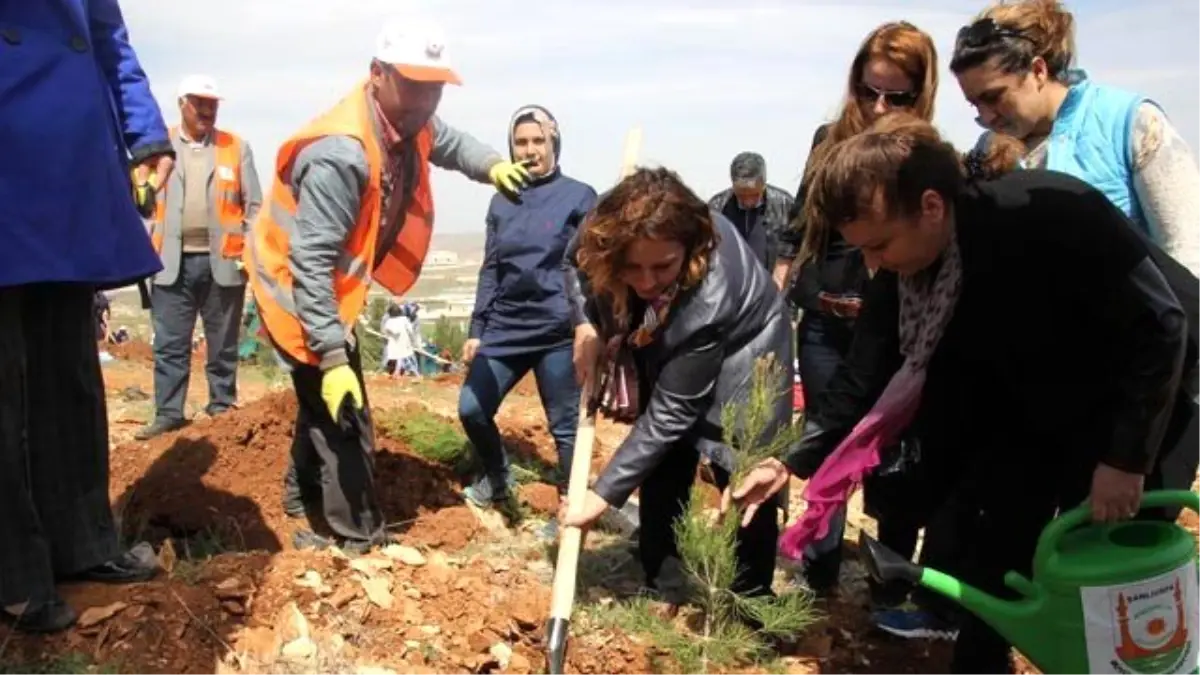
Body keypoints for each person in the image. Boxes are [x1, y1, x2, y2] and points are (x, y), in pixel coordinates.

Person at [730, 115, 1200, 674]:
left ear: (931, 206)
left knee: (1112, 584)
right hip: (1030, 412)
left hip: (1149, 399)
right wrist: (788, 461)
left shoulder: (1045, 215)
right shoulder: (905, 274)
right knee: (994, 557)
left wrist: (1126, 458)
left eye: (880, 245)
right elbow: (863, 377)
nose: (874, 265)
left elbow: (1164, 326)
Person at [245, 14, 532, 553]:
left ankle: (296, 494)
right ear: (377, 73)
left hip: (331, 288)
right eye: (414, 83)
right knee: (345, 416)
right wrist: (331, 356)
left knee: (321, 406)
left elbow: (450, 143)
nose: (427, 99)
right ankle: (358, 537)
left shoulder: (409, 121)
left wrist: (491, 166)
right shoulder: (343, 153)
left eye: (436, 87)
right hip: (296, 290)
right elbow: (310, 264)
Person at [0, 0, 172, 632]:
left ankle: (83, 544)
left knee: (67, 365)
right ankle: (14, 574)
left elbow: (105, 29)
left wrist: (144, 130)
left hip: (72, 152)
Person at [560, 167, 794, 603]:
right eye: (631, 268)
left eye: (662, 266)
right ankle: (662, 583)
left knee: (746, 471)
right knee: (665, 463)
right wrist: (585, 325)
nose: (646, 282)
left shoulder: (709, 297)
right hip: (668, 336)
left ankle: (750, 600)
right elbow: (570, 264)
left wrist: (603, 495)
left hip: (749, 348)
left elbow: (672, 412)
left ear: (691, 248)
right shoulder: (605, 226)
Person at [780, 21, 941, 611]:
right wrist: (792, 284)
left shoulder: (925, 157)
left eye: (895, 96)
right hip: (825, 322)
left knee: (890, 453)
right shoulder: (829, 140)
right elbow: (802, 225)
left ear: (919, 94)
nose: (877, 106)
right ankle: (818, 571)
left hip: (898, 330)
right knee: (827, 432)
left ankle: (889, 580)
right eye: (868, 91)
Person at [951, 0, 1200, 276]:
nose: (987, 117)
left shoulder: (1132, 123)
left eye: (994, 97)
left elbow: (1188, 253)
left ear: (1038, 70)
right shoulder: (988, 150)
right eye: (975, 105)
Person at [458, 104, 595, 522]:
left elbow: (589, 270)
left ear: (554, 142)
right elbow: (491, 269)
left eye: (538, 140)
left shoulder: (580, 196)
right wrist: (477, 328)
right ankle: (499, 478)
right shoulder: (502, 202)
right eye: (521, 142)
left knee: (566, 428)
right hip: (506, 327)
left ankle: (573, 510)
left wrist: (586, 326)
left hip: (557, 328)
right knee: (471, 408)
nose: (529, 150)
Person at [137, 75, 263, 439]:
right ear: (182, 104)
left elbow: (254, 205)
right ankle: (169, 414)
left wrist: (248, 253)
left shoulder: (236, 147)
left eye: (212, 103)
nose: (207, 109)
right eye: (199, 102)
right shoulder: (159, 147)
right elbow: (141, 201)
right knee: (170, 345)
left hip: (223, 263)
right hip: (169, 263)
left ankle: (222, 409)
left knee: (222, 345)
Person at [706, 152, 794, 283]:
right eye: (741, 195)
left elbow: (794, 249)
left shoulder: (784, 204)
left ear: (763, 184)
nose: (748, 202)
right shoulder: (717, 207)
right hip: (733, 287)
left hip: (774, 287)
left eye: (754, 195)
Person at [382, 302, 418, 378]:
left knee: (401, 357)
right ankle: (410, 371)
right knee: (403, 357)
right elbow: (410, 330)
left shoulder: (390, 321)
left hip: (397, 342)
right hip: (402, 342)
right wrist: (413, 341)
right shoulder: (404, 319)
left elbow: (387, 331)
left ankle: (410, 372)